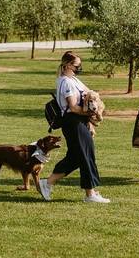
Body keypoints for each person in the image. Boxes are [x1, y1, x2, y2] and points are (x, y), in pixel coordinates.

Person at [38, 51, 110, 203]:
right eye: (77, 65)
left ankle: (47, 183)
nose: (79, 68)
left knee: (76, 157)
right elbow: (73, 107)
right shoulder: (66, 82)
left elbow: (90, 94)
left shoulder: (74, 80)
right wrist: (89, 115)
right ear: (68, 65)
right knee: (85, 155)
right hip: (73, 122)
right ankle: (90, 194)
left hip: (79, 122)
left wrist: (90, 121)